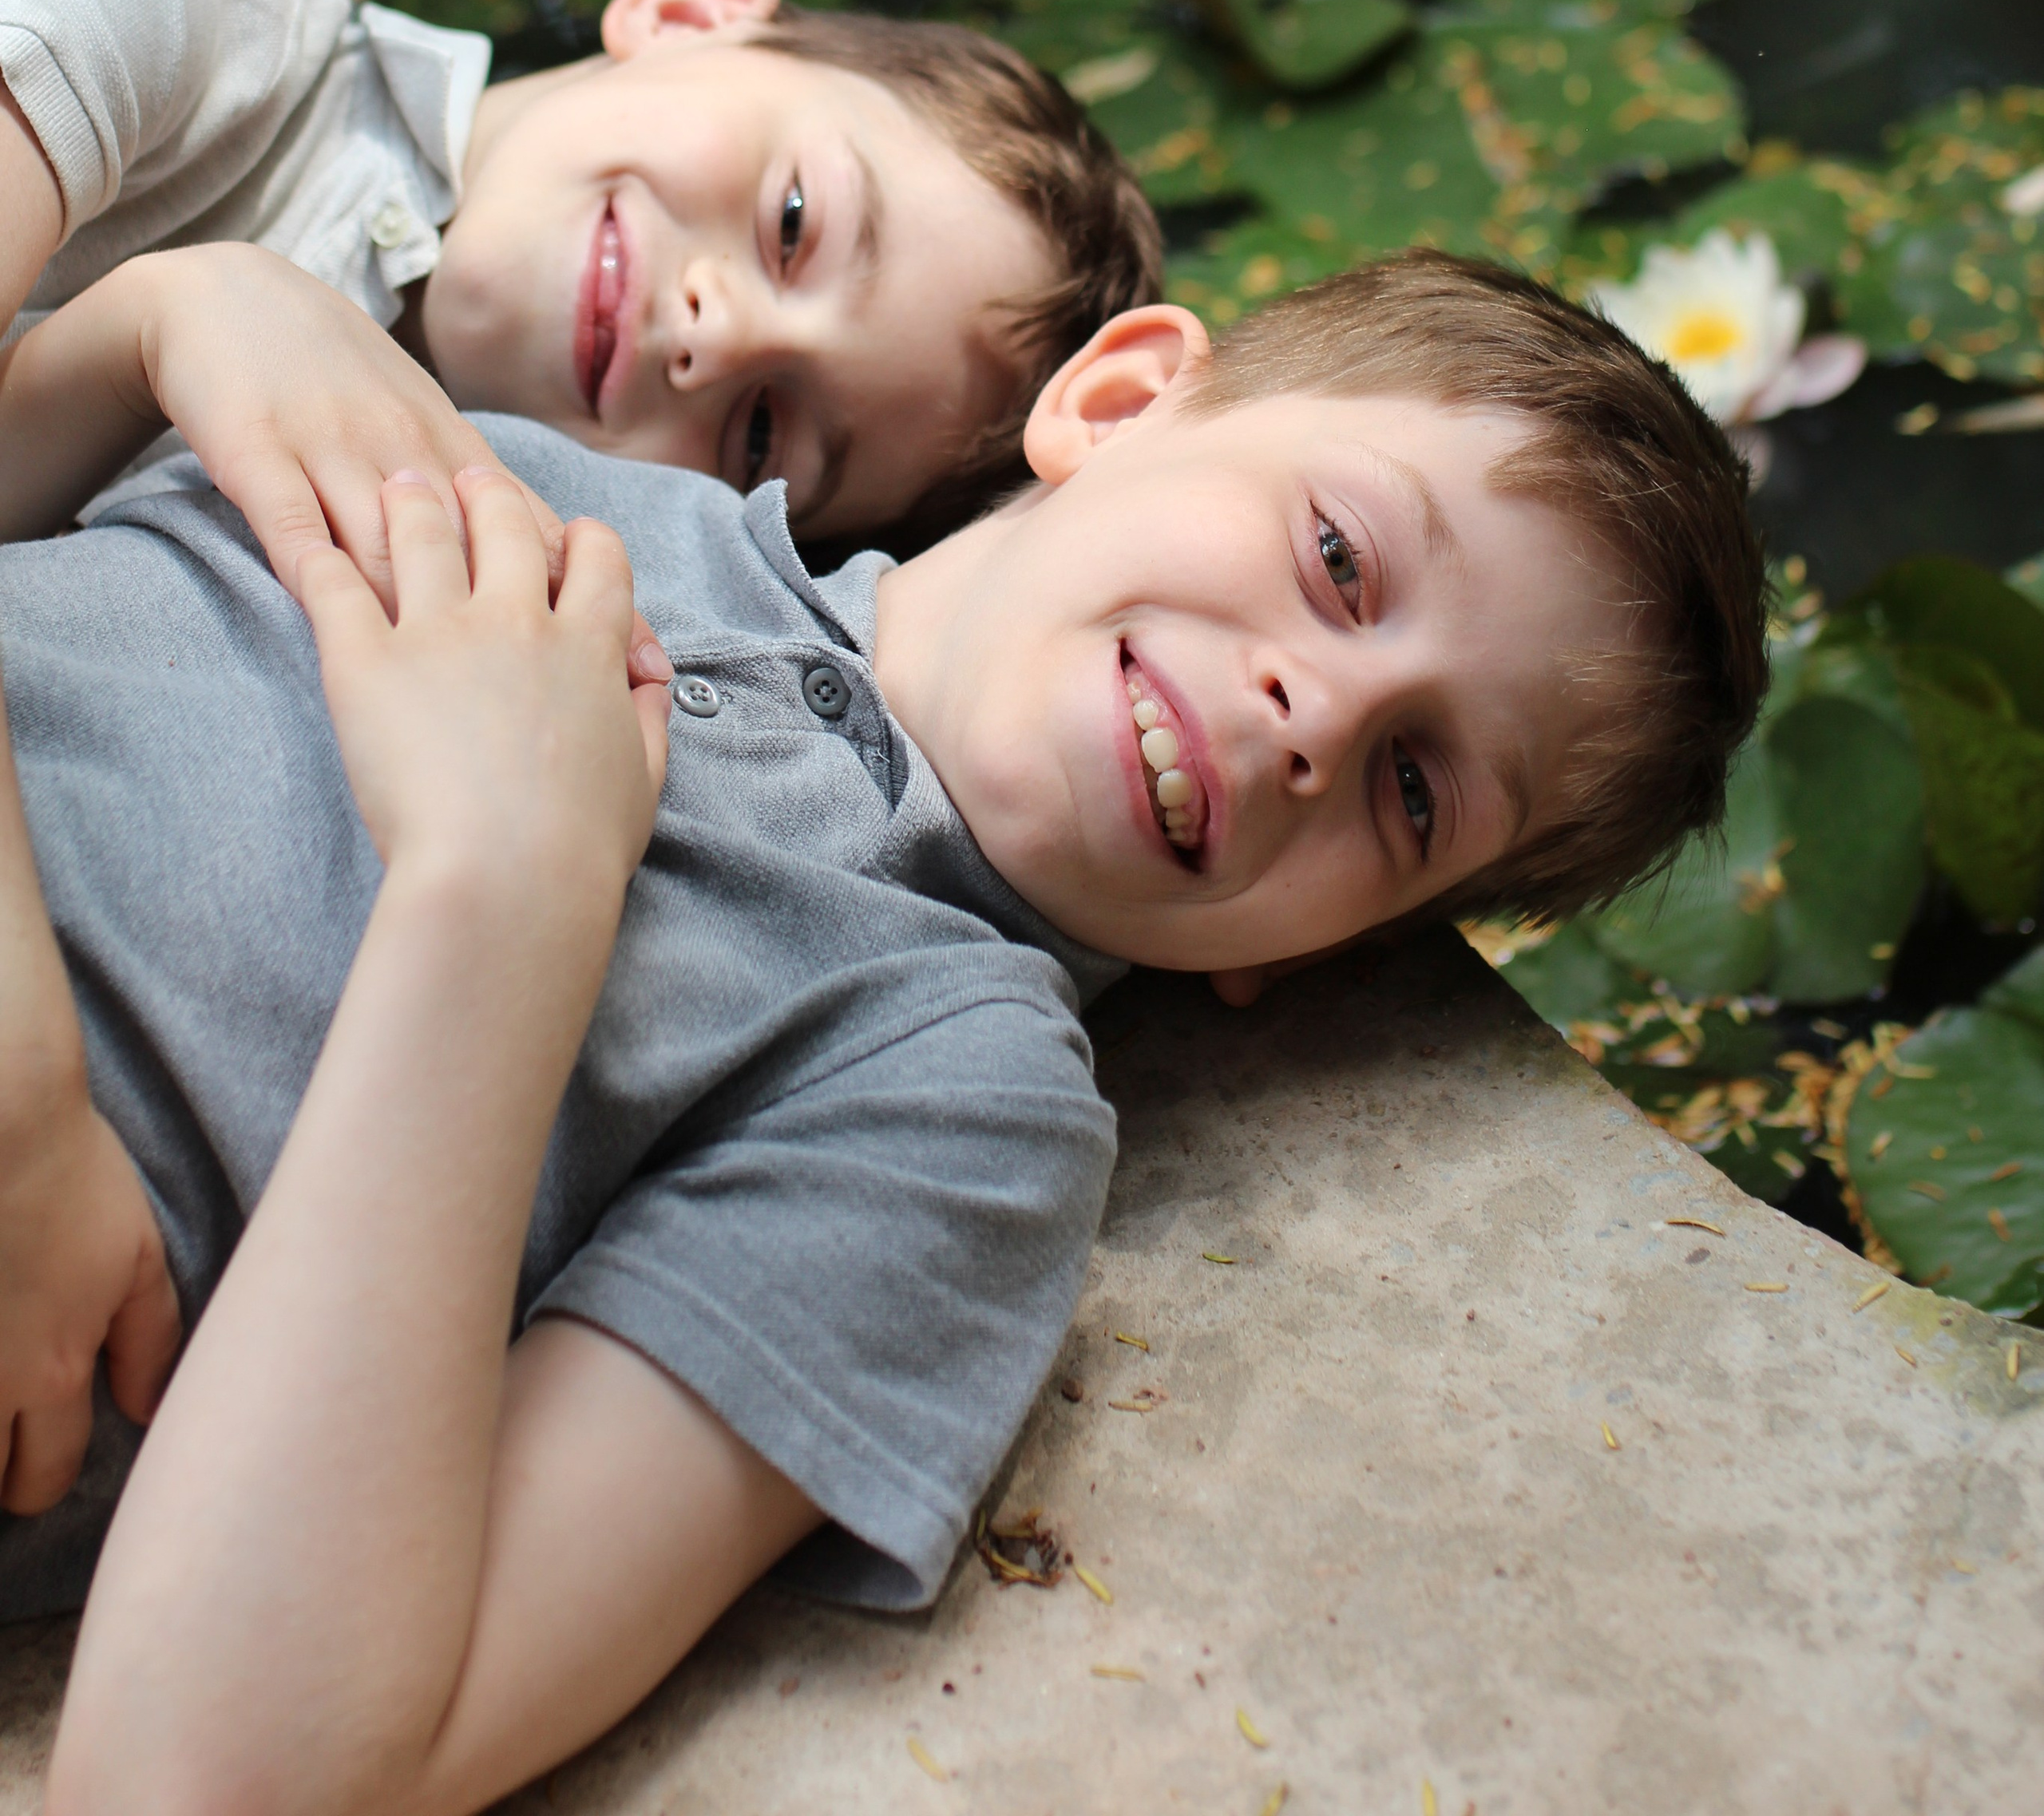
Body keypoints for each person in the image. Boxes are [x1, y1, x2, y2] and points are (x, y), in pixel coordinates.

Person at [0, 247, 1766, 1815]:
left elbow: (207, 1774)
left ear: (1310, 959)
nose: (1319, 714)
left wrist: (503, 897)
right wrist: (152, 317)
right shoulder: (516, 461)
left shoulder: (949, 1112)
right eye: (1337, 556)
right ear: (1122, 396)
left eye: (1409, 788)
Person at [0, 0, 1162, 573]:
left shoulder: (432, 584)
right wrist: (146, 337)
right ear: (690, 17)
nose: (726, 336)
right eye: (796, 224)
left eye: (763, 436)